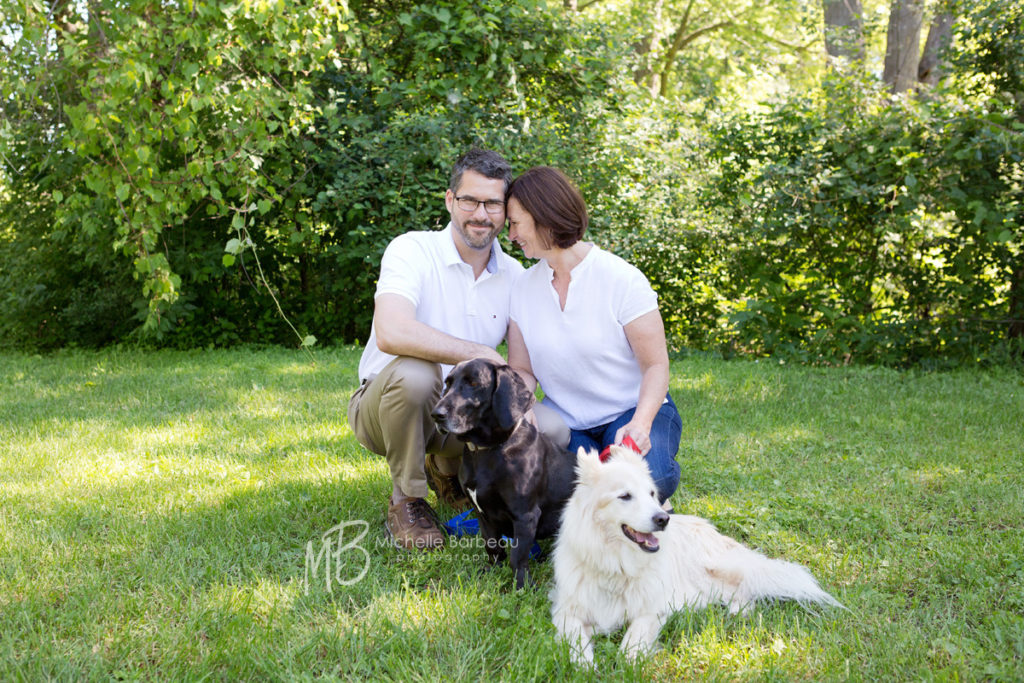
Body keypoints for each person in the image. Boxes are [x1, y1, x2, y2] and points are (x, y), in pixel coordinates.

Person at [348, 149, 569, 551]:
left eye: (493, 204)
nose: (480, 214)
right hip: (386, 409)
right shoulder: (412, 249)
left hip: (462, 415)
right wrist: (477, 350)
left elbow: (517, 367)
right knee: (416, 374)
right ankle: (408, 502)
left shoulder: (517, 277)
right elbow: (391, 332)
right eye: (469, 200)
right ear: (450, 199)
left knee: (553, 427)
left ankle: (459, 476)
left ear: (507, 212)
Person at [505, 166, 682, 503]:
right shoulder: (522, 288)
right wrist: (521, 408)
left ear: (544, 217)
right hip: (570, 426)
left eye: (516, 223)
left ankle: (653, 489)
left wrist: (641, 425)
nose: (511, 234)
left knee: (649, 478)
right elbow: (522, 370)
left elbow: (656, 366)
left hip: (634, 411)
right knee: (570, 493)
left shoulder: (622, 280)